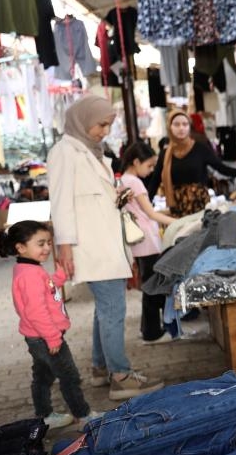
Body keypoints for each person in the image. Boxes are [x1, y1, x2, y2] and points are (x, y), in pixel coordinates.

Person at [48, 94, 164, 401]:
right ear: (84, 120)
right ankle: (121, 376)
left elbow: (91, 197)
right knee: (113, 309)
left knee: (107, 309)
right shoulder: (64, 152)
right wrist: (65, 246)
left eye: (108, 125)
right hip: (92, 245)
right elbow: (60, 203)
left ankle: (101, 369)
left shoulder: (92, 151)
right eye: (101, 124)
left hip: (105, 241)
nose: (104, 131)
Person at [0, 221, 101, 430]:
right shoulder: (30, 274)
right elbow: (36, 311)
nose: (46, 248)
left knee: (43, 376)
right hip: (46, 337)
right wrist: (53, 337)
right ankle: (83, 415)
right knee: (69, 376)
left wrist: (58, 279)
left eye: (48, 243)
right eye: (40, 243)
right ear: (21, 247)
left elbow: (44, 290)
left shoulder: (27, 268)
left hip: (37, 337)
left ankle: (44, 416)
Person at [149, 110, 236, 217]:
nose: (181, 128)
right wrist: (144, 204)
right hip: (177, 207)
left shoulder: (200, 149)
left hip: (199, 205)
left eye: (185, 124)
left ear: (189, 126)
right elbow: (155, 180)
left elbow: (224, 169)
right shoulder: (165, 154)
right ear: (170, 127)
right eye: (176, 124)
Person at [120, 141, 177, 345]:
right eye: (149, 165)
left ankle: (148, 328)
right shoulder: (134, 182)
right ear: (136, 162)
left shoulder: (122, 180)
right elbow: (151, 213)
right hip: (147, 240)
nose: (151, 170)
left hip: (139, 241)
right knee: (153, 288)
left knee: (149, 286)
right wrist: (179, 223)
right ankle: (152, 331)